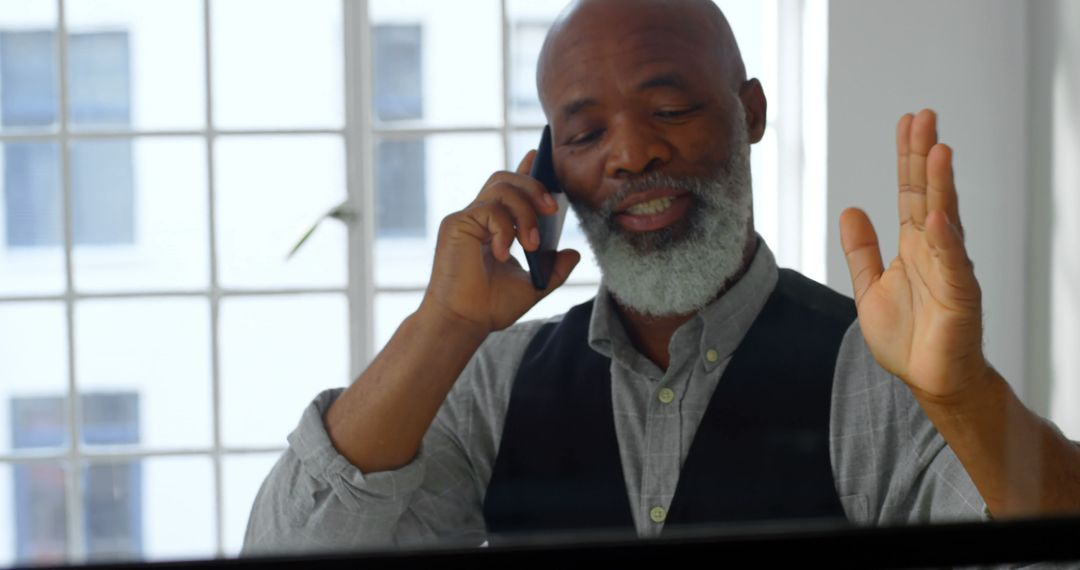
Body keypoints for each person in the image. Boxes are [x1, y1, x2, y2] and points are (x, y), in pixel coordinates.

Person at [242, 0, 1080, 554]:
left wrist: (964, 394)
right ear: (549, 168)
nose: (632, 152)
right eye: (583, 132)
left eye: (670, 109)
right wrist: (444, 324)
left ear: (749, 112)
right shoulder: (489, 383)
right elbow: (285, 550)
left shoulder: (877, 379)